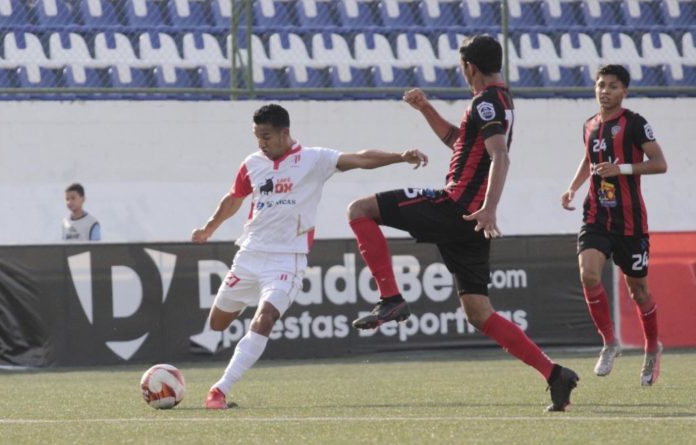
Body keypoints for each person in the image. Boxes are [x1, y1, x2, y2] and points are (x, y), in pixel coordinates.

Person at [347, 35, 578, 412]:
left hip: (457, 207)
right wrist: (425, 109)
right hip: (469, 221)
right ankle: (555, 375)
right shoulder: (499, 101)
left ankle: (390, 299)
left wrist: (489, 207)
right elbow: (461, 142)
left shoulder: (487, 102)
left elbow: (500, 156)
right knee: (479, 313)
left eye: (461, 65)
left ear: (469, 66)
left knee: (359, 210)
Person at [191, 104, 428, 409]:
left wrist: (399, 156)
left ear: (284, 132)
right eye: (257, 136)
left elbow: (360, 158)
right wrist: (209, 228)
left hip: (286, 260)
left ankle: (219, 390)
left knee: (265, 319)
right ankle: (241, 320)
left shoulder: (314, 159)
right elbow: (234, 198)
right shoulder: (252, 163)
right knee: (218, 322)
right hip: (249, 256)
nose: (261, 142)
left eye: (266, 136)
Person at [561, 64, 667, 386]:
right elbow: (589, 158)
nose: (604, 90)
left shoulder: (635, 124)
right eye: (600, 84)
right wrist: (573, 187)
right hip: (596, 215)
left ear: (624, 92)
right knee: (588, 273)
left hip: (630, 221)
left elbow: (660, 164)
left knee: (639, 292)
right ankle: (609, 343)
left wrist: (620, 169)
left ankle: (652, 349)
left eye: (612, 86)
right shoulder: (589, 125)